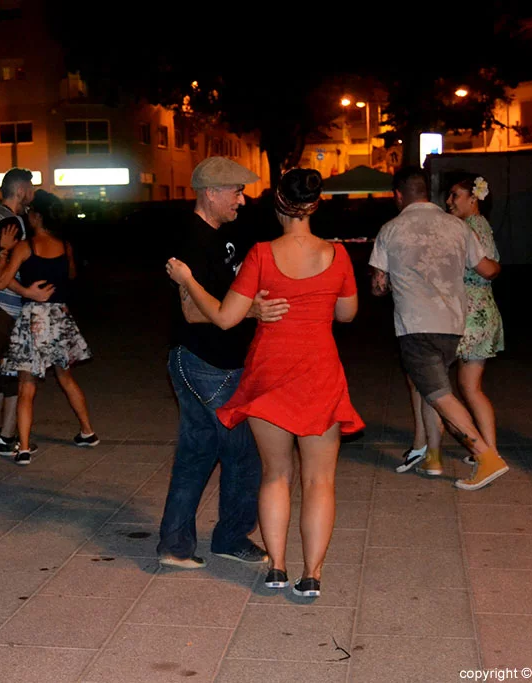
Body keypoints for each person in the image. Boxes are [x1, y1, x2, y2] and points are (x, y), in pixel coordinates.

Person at [167, 168, 363, 599]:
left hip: (270, 373)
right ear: (316, 204)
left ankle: (276, 566)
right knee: (320, 481)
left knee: (275, 475)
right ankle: (311, 574)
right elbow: (347, 314)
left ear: (278, 202)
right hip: (319, 374)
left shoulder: (260, 255)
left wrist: (188, 281)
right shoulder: (338, 255)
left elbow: (223, 318)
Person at [157, 156, 289, 571]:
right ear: (211, 192)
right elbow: (193, 313)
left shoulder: (220, 236)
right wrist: (253, 312)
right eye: (236, 191)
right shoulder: (191, 241)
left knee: (198, 452)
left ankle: (176, 545)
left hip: (212, 360)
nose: (242, 200)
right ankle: (231, 538)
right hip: (204, 360)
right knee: (243, 454)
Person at [370, 166, 509, 491]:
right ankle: (433, 455)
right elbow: (487, 267)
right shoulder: (457, 227)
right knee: (430, 388)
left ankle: (485, 455)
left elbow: (378, 287)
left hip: (416, 328)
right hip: (453, 326)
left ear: (399, 195)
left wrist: (393, 278)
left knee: (440, 395)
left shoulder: (391, 229)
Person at [403, 173, 504, 467]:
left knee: (429, 381)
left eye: (455, 195)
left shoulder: (465, 228)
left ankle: (431, 447)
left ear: (474, 198)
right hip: (482, 312)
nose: (448, 202)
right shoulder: (481, 225)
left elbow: (485, 268)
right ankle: (488, 450)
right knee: (470, 388)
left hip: (465, 316)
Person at [0, 190, 97, 466]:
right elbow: (72, 275)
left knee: (26, 385)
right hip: (60, 316)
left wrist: (4, 250)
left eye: (30, 213)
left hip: (35, 320)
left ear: (37, 216)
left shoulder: (25, 247)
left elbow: (2, 281)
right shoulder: (65, 246)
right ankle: (87, 431)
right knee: (66, 378)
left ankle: (24, 447)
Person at [0, 168, 55, 456]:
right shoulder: (10, 221)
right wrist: (29, 292)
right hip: (3, 305)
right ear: (20, 190)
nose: (32, 192)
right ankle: (7, 437)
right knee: (15, 372)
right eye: (30, 186)